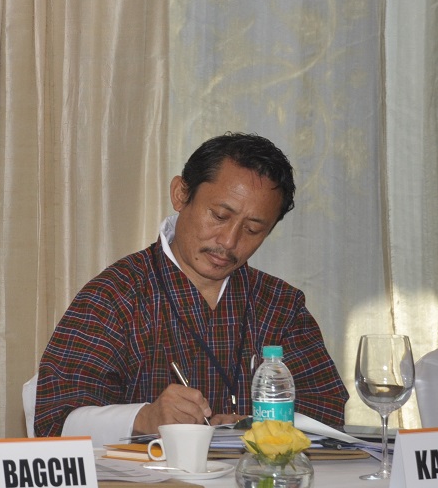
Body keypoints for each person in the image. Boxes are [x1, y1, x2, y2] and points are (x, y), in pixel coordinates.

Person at [34, 132, 348, 445]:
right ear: (181, 194)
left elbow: (328, 414)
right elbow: (54, 421)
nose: (229, 241)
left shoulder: (281, 306)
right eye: (219, 216)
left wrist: (255, 426)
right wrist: (143, 418)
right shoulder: (114, 295)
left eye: (253, 229)